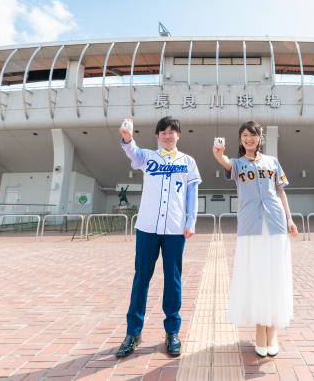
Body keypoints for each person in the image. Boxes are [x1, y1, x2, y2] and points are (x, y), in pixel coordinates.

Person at [116, 116, 201, 358]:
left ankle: (172, 332)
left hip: (175, 229)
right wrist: (127, 135)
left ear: (178, 135)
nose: (167, 135)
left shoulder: (188, 162)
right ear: (157, 136)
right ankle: (133, 332)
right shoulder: (148, 158)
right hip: (147, 227)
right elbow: (132, 151)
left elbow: (191, 196)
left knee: (172, 281)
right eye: (163, 132)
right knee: (141, 278)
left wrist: (190, 222)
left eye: (171, 131)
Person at [213, 121, 297, 357]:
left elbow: (280, 190)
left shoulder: (272, 162)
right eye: (244, 136)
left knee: (274, 275)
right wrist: (219, 155)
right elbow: (226, 163)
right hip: (251, 225)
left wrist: (290, 220)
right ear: (240, 140)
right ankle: (261, 331)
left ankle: (272, 331)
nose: (248, 139)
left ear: (260, 137)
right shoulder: (238, 164)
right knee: (256, 275)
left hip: (276, 223)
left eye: (252, 135)